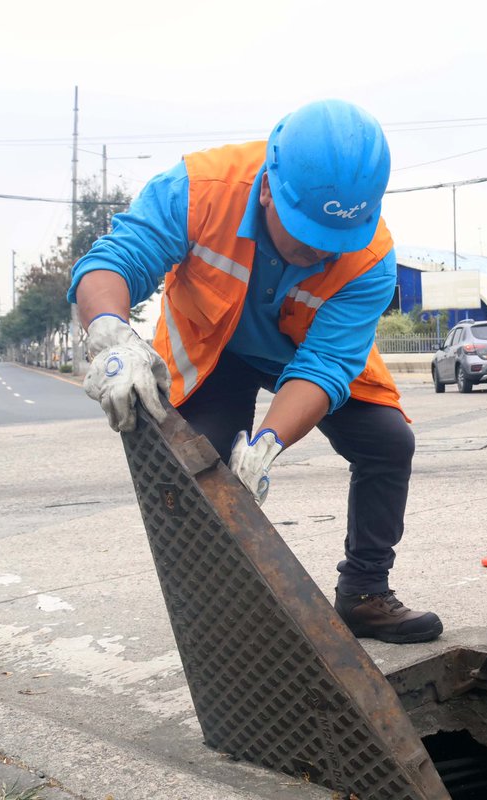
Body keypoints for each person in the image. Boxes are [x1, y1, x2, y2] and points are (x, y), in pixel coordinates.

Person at [69, 100, 442, 645]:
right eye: (305, 233)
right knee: (202, 464)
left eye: (336, 240)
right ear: (268, 188)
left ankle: (365, 592)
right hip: (214, 345)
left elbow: (327, 364)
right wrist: (107, 332)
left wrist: (269, 441)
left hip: (300, 349)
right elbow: (119, 258)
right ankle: (221, 611)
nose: (320, 252)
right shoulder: (201, 188)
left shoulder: (372, 257)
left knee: (389, 442)